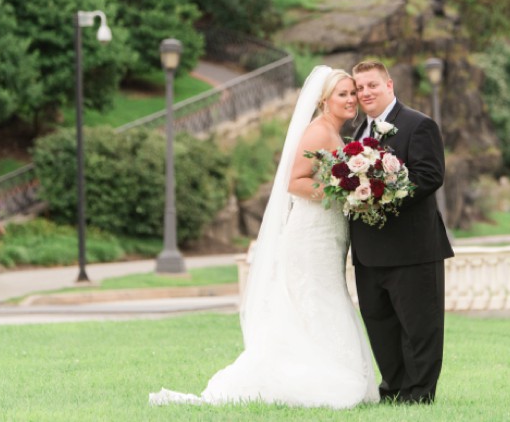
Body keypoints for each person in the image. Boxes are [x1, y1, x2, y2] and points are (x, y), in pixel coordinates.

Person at [149, 66, 379, 408]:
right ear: (324, 100)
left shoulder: (334, 132)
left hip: (328, 233)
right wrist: (342, 190)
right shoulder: (318, 132)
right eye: (342, 94)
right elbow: (294, 182)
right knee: (316, 298)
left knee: (323, 297)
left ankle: (326, 367)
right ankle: (321, 376)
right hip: (311, 233)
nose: (351, 100)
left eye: (351, 93)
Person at [350, 59, 454, 404]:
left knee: (419, 327)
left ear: (389, 85)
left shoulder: (418, 124)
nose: (365, 92)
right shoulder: (356, 132)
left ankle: (420, 394)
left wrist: (383, 196)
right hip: (368, 249)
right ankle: (392, 389)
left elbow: (429, 176)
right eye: (359, 87)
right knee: (380, 324)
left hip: (413, 247)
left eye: (372, 85)